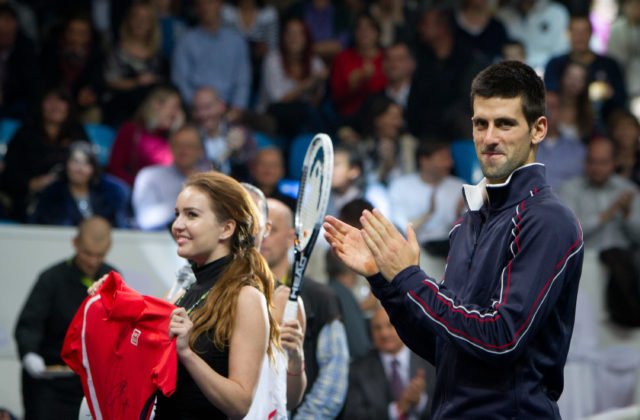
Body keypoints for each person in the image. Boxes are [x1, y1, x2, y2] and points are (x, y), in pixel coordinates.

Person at [324, 60, 585, 418]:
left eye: (505, 124)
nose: (489, 137)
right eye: (481, 124)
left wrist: (409, 278)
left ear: (538, 129)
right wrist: (384, 281)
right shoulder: (468, 223)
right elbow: (442, 343)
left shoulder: (547, 219)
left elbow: (501, 338)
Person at [154, 171, 279, 418]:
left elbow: (239, 403)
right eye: (177, 214)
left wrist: (187, 353)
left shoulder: (247, 296)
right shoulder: (187, 289)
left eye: (192, 215)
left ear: (226, 228)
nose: (177, 225)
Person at [14, 217, 115, 420]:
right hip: (49, 380)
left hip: (89, 383)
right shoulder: (51, 278)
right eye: (87, 253)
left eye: (100, 255)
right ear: (74, 243)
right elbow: (29, 323)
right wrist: (29, 354)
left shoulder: (111, 280)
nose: (93, 261)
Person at [261, 198, 349, 418]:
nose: (262, 237)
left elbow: (334, 373)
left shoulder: (320, 296)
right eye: (257, 228)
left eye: (271, 229)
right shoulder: (239, 294)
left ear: (292, 238)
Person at [559, 137, 640, 327]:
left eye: (603, 162)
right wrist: (607, 214)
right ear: (584, 162)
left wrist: (627, 214)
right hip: (586, 259)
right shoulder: (570, 190)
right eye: (592, 162)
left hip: (624, 261)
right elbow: (569, 234)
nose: (596, 168)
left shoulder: (628, 190)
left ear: (614, 163)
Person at [1, 87, 89, 222]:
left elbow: (90, 164)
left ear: (68, 106)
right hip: (31, 200)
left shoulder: (77, 133)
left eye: (61, 101)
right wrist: (31, 183)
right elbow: (9, 172)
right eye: (50, 100)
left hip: (70, 198)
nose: (55, 106)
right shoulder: (25, 133)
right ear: (40, 104)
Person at [342, 306, 435, 420]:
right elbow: (353, 415)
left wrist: (420, 402)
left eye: (390, 326)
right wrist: (397, 409)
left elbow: (449, 408)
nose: (384, 334)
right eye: (377, 328)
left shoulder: (430, 361)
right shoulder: (357, 370)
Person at [172, 0, 251, 111]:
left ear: (220, 4)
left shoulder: (236, 41)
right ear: (196, 8)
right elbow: (180, 82)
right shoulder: (185, 42)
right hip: (196, 109)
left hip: (229, 108)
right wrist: (200, 106)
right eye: (201, 3)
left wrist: (237, 108)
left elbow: (242, 82)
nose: (206, 7)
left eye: (210, 2)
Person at [28, 141, 130, 228]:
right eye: (75, 162)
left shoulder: (109, 195)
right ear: (66, 165)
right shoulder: (51, 195)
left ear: (93, 169)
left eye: (86, 163)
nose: (79, 169)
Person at [106, 84, 184, 186]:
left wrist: (178, 131)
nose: (177, 114)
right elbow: (115, 168)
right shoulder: (131, 130)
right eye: (174, 107)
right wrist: (138, 186)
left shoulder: (173, 136)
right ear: (157, 104)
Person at [132, 124, 205, 230]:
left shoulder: (210, 181)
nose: (184, 150)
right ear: (170, 147)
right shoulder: (149, 176)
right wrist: (184, 201)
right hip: (157, 243)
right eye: (179, 145)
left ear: (201, 151)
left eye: (190, 146)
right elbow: (145, 220)